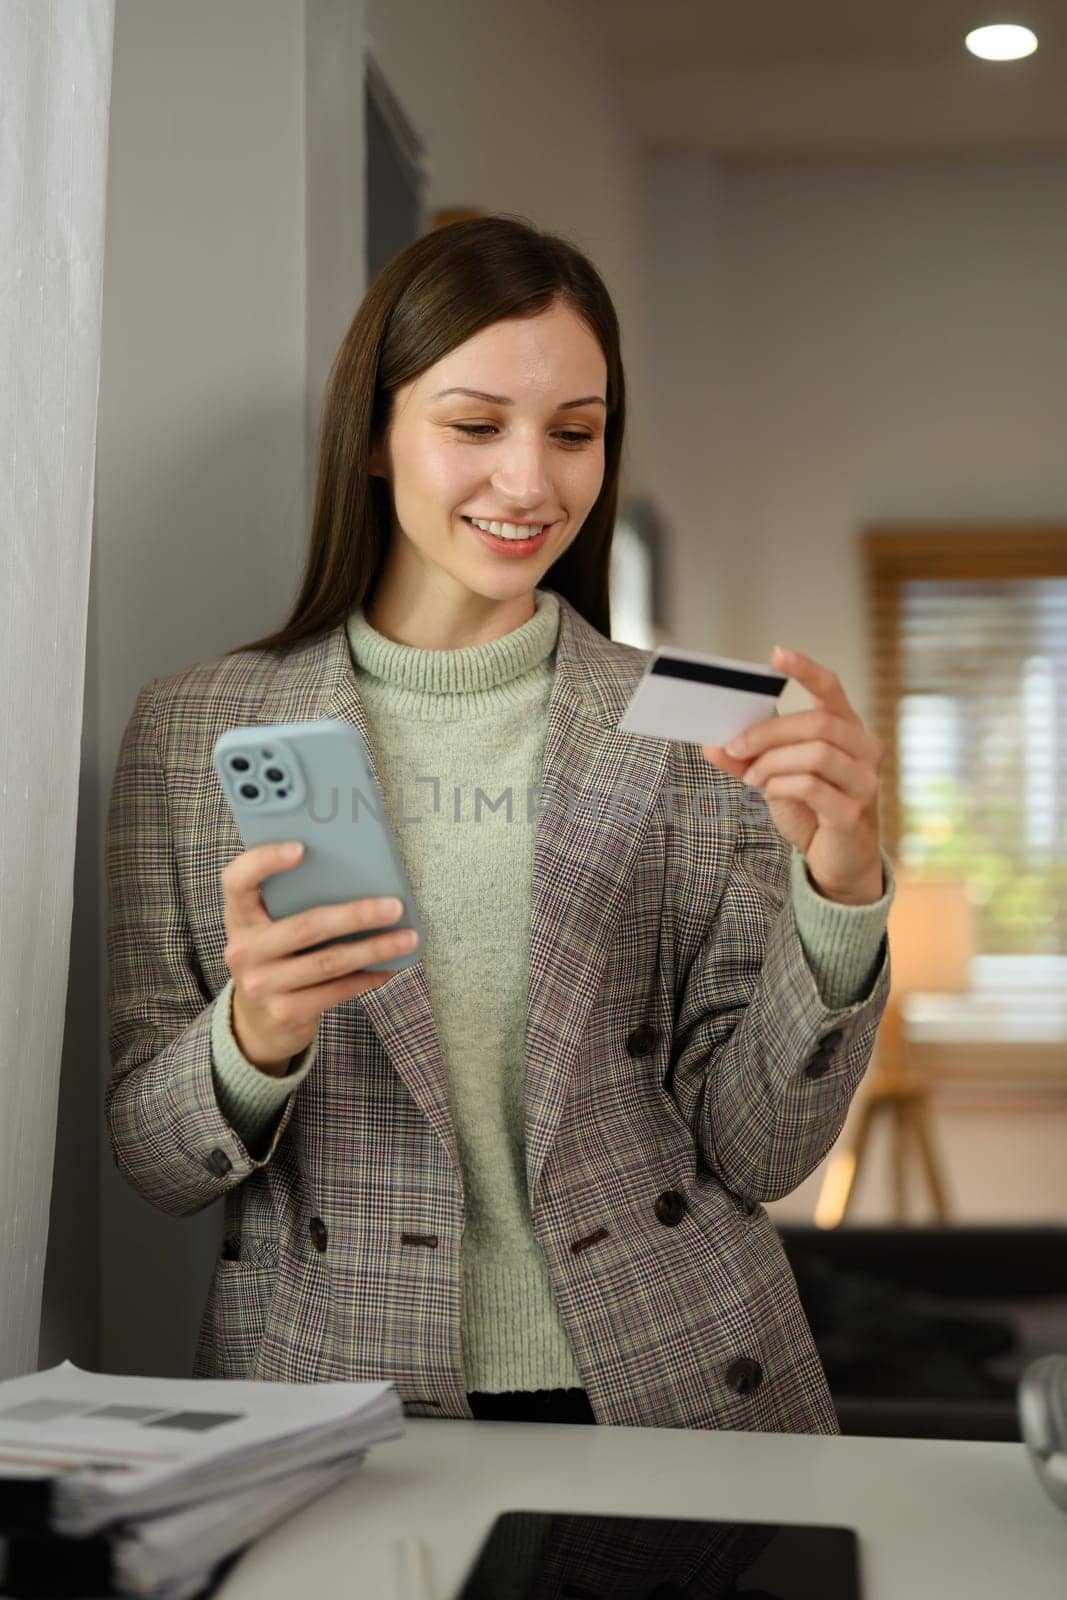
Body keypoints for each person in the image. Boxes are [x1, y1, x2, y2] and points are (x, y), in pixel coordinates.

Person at [105, 213, 895, 1433]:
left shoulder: (698, 722)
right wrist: (253, 1032)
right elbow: (155, 1164)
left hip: (676, 1381)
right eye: (474, 426)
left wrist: (839, 891)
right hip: (333, 1388)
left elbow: (758, 1151)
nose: (529, 482)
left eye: (573, 433)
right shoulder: (191, 728)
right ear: (374, 436)